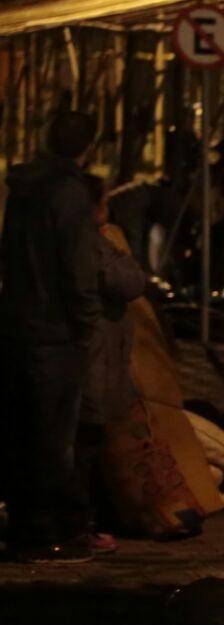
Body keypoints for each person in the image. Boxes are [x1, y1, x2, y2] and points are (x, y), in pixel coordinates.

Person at [0, 111, 102, 564]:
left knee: (22, 431)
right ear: (88, 148)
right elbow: (78, 267)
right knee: (53, 438)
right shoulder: (70, 194)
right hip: (54, 332)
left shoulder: (23, 188)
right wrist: (85, 322)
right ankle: (46, 531)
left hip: (18, 324)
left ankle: (25, 524)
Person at [76, 175, 148, 555]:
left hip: (94, 353)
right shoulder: (91, 243)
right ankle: (80, 524)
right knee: (86, 441)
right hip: (94, 354)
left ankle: (82, 520)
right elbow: (129, 280)